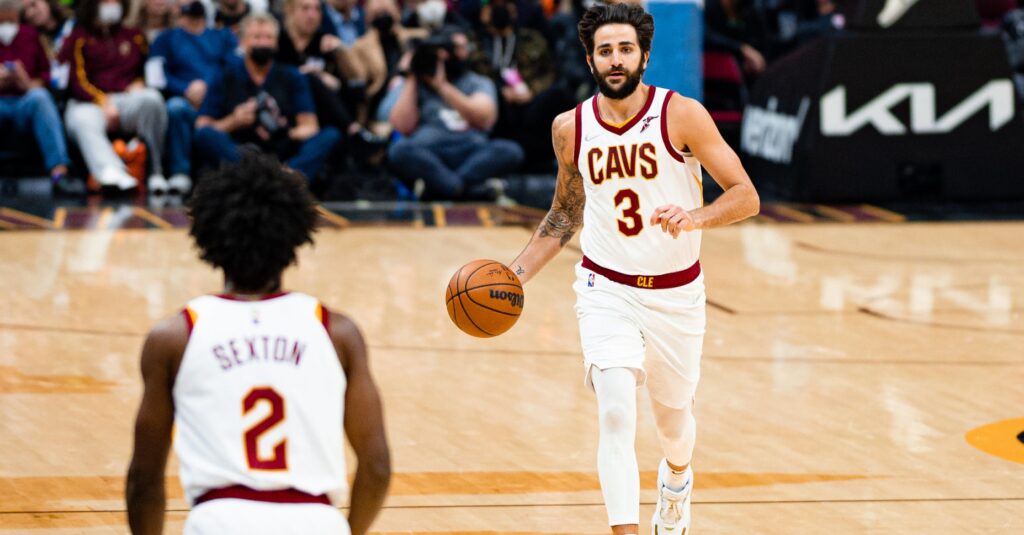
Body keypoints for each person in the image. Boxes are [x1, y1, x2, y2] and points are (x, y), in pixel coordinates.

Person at [507, 4, 759, 534]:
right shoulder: (570, 128)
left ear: (644, 54)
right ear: (590, 59)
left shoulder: (681, 114)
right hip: (605, 289)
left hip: (676, 294)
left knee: (675, 428)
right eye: (605, 51)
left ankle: (677, 480)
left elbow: (746, 196)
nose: (616, 60)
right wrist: (515, 274)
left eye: (625, 49)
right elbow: (563, 214)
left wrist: (694, 216)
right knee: (616, 412)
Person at [125, 153, 391, 535]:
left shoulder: (175, 336)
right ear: (296, 237)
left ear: (209, 239)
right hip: (317, 522)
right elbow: (377, 466)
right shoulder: (337, 332)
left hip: (219, 521)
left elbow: (144, 480)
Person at [193, 12, 341, 182]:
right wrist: (234, 121)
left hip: (282, 152)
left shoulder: (292, 76)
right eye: (257, 37)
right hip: (239, 150)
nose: (263, 43)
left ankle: (286, 177)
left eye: (269, 38)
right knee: (206, 136)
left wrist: (282, 130)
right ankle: (264, 178)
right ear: (243, 42)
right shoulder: (225, 76)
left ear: (276, 43)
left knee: (330, 135)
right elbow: (202, 126)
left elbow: (310, 127)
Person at [386, 26, 524, 200]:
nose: (463, 53)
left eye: (465, 48)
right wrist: (413, 74)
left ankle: (444, 187)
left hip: (471, 151)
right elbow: (401, 126)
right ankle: (463, 189)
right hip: (429, 154)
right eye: (457, 48)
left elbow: (485, 119)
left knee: (510, 150)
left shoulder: (477, 81)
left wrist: (442, 86)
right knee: (398, 150)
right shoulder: (416, 85)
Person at [59, 0, 169, 192]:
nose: (112, 4)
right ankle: (110, 172)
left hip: (126, 99)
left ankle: (156, 173)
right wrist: (102, 101)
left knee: (152, 99)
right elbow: (75, 82)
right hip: (89, 102)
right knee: (81, 118)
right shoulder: (77, 38)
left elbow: (151, 70)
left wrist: (142, 82)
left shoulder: (134, 36)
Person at [148, 0, 238, 193]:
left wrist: (208, 85)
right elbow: (155, 77)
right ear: (176, 8)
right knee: (176, 107)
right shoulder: (165, 38)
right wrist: (185, 89)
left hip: (217, 104)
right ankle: (180, 172)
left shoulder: (223, 35)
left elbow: (234, 66)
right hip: (184, 102)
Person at [0, 0, 77, 194]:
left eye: (11, 18)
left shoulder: (31, 36)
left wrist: (26, 83)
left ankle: (60, 174)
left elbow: (47, 78)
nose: (6, 24)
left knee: (40, 97)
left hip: (24, 102)